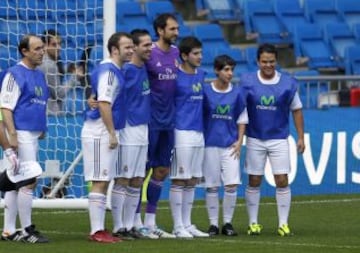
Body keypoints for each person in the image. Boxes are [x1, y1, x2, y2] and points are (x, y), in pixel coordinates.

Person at [241, 43, 305, 236]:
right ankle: (253, 223)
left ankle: (283, 224)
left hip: (279, 138)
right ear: (257, 61)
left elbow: (297, 110)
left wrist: (301, 136)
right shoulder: (247, 81)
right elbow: (240, 110)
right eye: (264, 61)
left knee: (282, 179)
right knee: (254, 179)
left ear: (276, 61)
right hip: (254, 137)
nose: (268, 65)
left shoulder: (288, 83)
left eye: (271, 61)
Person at [81, 32, 133, 243]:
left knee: (104, 179)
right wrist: (112, 133)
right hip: (99, 131)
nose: (131, 50)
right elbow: (103, 103)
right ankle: (97, 231)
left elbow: (98, 97)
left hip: (103, 130)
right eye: (127, 47)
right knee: (100, 180)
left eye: (131, 47)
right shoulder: (110, 72)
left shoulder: (113, 70)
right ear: (114, 50)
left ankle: (100, 229)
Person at [0, 34, 50, 243]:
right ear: (25, 51)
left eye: (42, 48)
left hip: (32, 132)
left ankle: (9, 230)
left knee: (15, 181)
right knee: (29, 181)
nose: (42, 52)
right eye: (37, 49)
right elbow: (6, 107)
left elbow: (38, 102)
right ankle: (27, 230)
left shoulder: (39, 75)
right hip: (20, 132)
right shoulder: (14, 74)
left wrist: (42, 127)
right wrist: (12, 135)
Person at [134, 13, 179, 239]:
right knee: (140, 171)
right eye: (172, 29)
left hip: (169, 122)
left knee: (161, 170)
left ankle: (151, 222)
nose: (176, 33)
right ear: (160, 30)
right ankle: (135, 221)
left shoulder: (177, 53)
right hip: (149, 121)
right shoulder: (148, 53)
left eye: (177, 28)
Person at [110, 29, 154, 240]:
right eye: (146, 45)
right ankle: (118, 226)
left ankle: (129, 226)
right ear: (134, 47)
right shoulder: (124, 70)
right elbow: (105, 93)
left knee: (137, 179)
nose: (150, 48)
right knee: (123, 178)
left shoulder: (144, 67)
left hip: (143, 129)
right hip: (128, 128)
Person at [203, 55, 247, 236]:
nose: (230, 73)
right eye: (226, 69)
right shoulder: (206, 91)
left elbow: (242, 118)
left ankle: (227, 223)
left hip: (230, 145)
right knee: (212, 186)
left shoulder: (237, 93)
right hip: (209, 144)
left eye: (232, 70)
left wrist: (240, 141)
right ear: (216, 70)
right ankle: (213, 224)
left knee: (231, 185)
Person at [169, 36, 209, 238]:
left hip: (198, 132)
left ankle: (187, 223)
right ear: (184, 55)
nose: (200, 57)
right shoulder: (175, 77)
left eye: (200, 53)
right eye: (195, 53)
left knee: (192, 180)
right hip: (181, 131)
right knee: (179, 179)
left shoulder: (202, 75)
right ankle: (177, 226)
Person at [38, 29, 84, 114]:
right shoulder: (49, 66)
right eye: (54, 44)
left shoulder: (43, 60)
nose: (59, 47)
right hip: (50, 114)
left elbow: (51, 76)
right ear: (45, 46)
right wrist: (74, 78)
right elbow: (59, 94)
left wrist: (66, 69)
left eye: (59, 44)